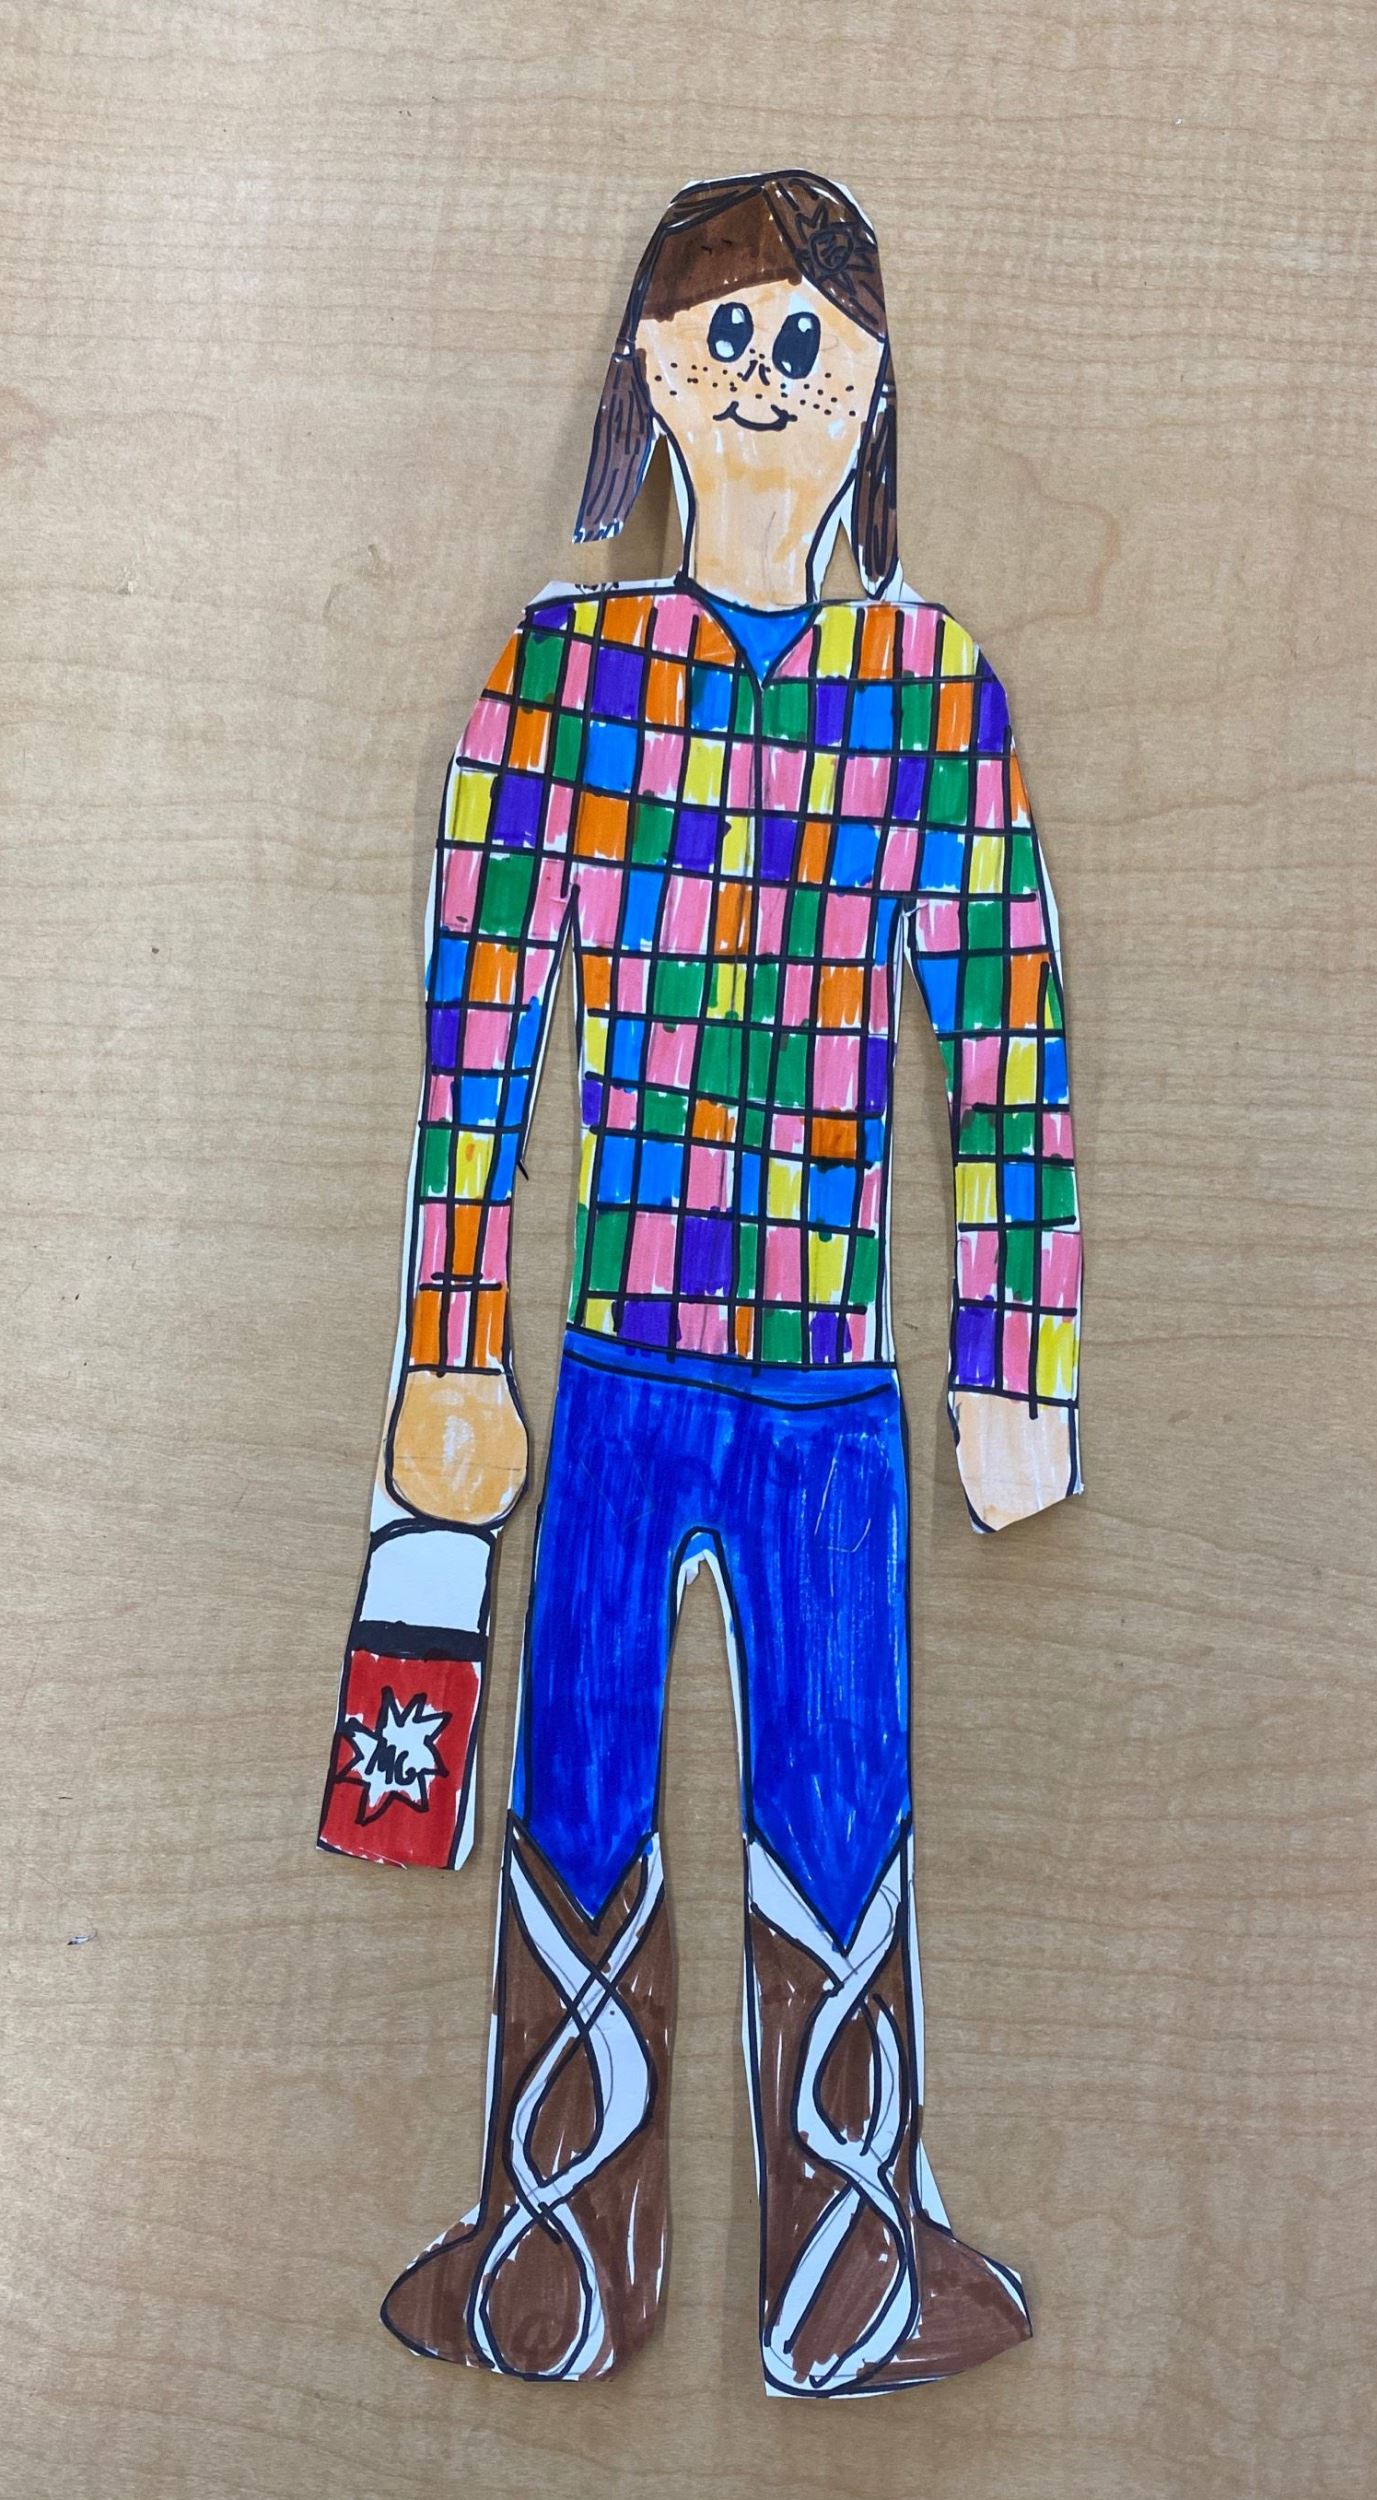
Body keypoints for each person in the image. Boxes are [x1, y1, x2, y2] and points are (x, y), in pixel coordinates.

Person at [342, 170, 1083, 2395]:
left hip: (833, 1382)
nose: (767, 380)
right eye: (725, 338)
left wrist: (1013, 1359)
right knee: (576, 1791)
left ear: (869, 388)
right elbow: (477, 1033)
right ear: (652, 377)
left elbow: (1006, 1031)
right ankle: (553, 2255)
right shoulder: (559, 682)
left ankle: (850, 2270)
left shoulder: (928, 692)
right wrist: (450, 1341)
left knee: (838, 1810)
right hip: (617, 1362)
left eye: (806, 342)